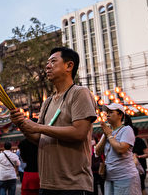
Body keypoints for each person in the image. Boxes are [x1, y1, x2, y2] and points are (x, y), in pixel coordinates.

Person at [10, 47, 97, 194]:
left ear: (69, 66)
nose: (47, 66)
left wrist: (38, 127)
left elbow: (79, 133)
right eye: (47, 63)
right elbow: (39, 138)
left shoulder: (79, 93)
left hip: (73, 185)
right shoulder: (48, 102)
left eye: (53, 62)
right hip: (47, 184)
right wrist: (22, 124)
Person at [95, 103, 141, 195]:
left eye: (111, 112)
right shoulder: (108, 132)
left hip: (126, 177)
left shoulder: (127, 130)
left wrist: (109, 135)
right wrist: (106, 134)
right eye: (107, 112)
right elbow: (97, 151)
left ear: (120, 115)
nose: (107, 114)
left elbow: (121, 149)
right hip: (109, 177)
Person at [132, 127, 148, 195]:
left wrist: (138, 156)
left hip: (140, 168)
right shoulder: (127, 142)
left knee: (141, 187)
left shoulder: (139, 141)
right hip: (131, 168)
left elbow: (147, 154)